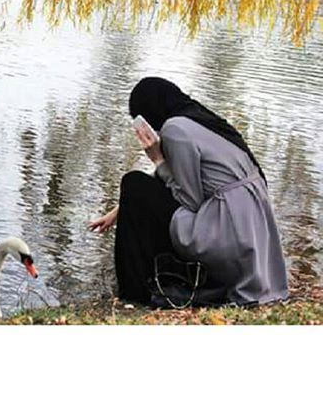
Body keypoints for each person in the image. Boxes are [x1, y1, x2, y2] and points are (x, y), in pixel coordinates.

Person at [88, 76, 289, 306]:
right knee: (137, 191)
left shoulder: (175, 130)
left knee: (133, 183)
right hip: (252, 229)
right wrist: (120, 210)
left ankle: (136, 293)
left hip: (226, 232)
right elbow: (185, 178)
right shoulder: (200, 122)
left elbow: (189, 200)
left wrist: (157, 160)